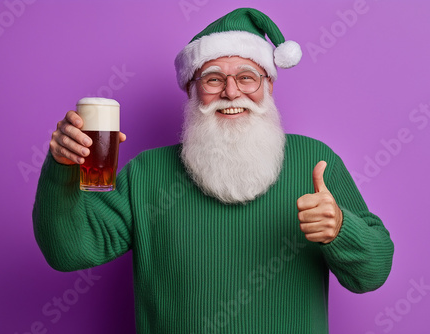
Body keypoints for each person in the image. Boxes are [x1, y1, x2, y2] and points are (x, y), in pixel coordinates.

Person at [33, 8, 394, 334]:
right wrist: (62, 168)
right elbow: (68, 253)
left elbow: (372, 274)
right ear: (192, 90)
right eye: (213, 79)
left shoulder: (314, 159)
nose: (231, 92)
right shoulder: (146, 172)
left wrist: (340, 229)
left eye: (247, 77)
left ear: (268, 86)